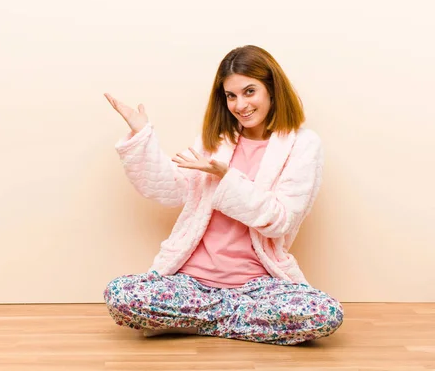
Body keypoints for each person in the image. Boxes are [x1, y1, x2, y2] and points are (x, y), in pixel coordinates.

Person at [103, 45, 343, 345]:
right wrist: (141, 135)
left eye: (249, 91)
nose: (240, 104)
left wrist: (227, 178)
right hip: (192, 283)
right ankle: (232, 319)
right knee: (120, 294)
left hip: (258, 286)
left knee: (325, 313)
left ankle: (196, 320)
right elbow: (170, 189)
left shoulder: (303, 145)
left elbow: (280, 219)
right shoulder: (215, 141)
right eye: (231, 96)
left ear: (272, 89)